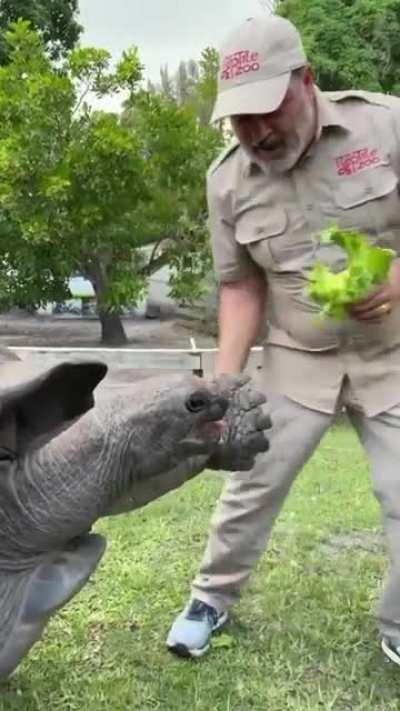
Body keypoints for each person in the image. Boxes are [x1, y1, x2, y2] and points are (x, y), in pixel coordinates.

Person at [166, 14, 400, 665]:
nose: (257, 132)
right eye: (241, 118)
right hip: (299, 360)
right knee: (251, 482)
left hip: (393, 357)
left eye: (267, 109)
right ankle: (210, 596)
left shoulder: (386, 126)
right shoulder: (228, 181)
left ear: (307, 81)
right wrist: (223, 386)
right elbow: (240, 287)